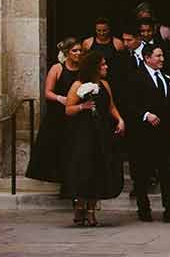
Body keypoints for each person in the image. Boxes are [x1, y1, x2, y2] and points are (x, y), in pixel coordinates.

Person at [62, 52, 126, 227]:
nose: (106, 67)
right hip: (83, 133)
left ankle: (91, 211)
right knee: (84, 169)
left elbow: (111, 105)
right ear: (94, 67)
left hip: (101, 131)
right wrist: (82, 106)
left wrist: (119, 120)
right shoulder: (78, 84)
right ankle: (80, 205)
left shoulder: (104, 84)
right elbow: (68, 109)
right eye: (103, 65)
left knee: (98, 169)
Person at [127, 42, 170, 222]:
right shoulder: (135, 77)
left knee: (168, 173)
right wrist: (145, 115)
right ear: (147, 58)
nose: (162, 59)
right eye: (158, 56)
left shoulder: (166, 77)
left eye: (162, 56)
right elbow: (129, 104)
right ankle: (143, 210)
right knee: (142, 174)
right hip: (143, 134)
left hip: (165, 134)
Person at [28, 37, 84, 185]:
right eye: (74, 50)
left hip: (78, 113)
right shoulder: (57, 68)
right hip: (59, 114)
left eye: (80, 50)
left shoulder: (84, 69)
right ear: (67, 52)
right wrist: (61, 98)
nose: (78, 53)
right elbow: (48, 92)